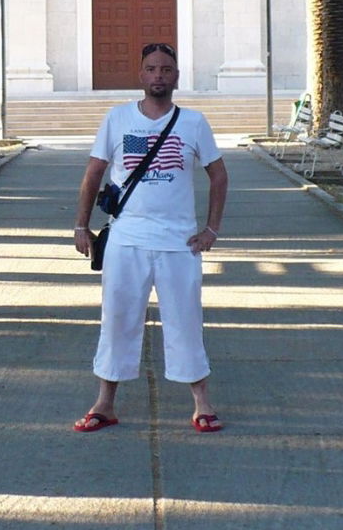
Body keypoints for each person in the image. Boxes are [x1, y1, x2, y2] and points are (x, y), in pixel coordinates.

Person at [72, 42, 229, 433]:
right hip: (127, 240)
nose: (159, 75)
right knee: (118, 321)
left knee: (186, 321)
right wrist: (80, 225)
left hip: (179, 243)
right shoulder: (117, 119)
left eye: (166, 69)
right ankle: (104, 404)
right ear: (141, 75)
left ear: (176, 77)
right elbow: (93, 173)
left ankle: (202, 403)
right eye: (152, 69)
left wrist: (211, 229)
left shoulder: (193, 123)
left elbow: (219, 176)